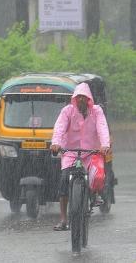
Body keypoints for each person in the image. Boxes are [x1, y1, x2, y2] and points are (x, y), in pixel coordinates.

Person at [50, 82, 110, 231]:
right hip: (70, 152)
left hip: (91, 152)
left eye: (84, 97)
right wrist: (56, 143)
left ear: (89, 99)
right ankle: (64, 219)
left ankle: (94, 195)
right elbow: (59, 128)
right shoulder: (67, 111)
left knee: (98, 176)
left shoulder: (96, 111)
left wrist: (105, 144)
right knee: (64, 180)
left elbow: (102, 127)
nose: (81, 100)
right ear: (74, 99)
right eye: (78, 98)